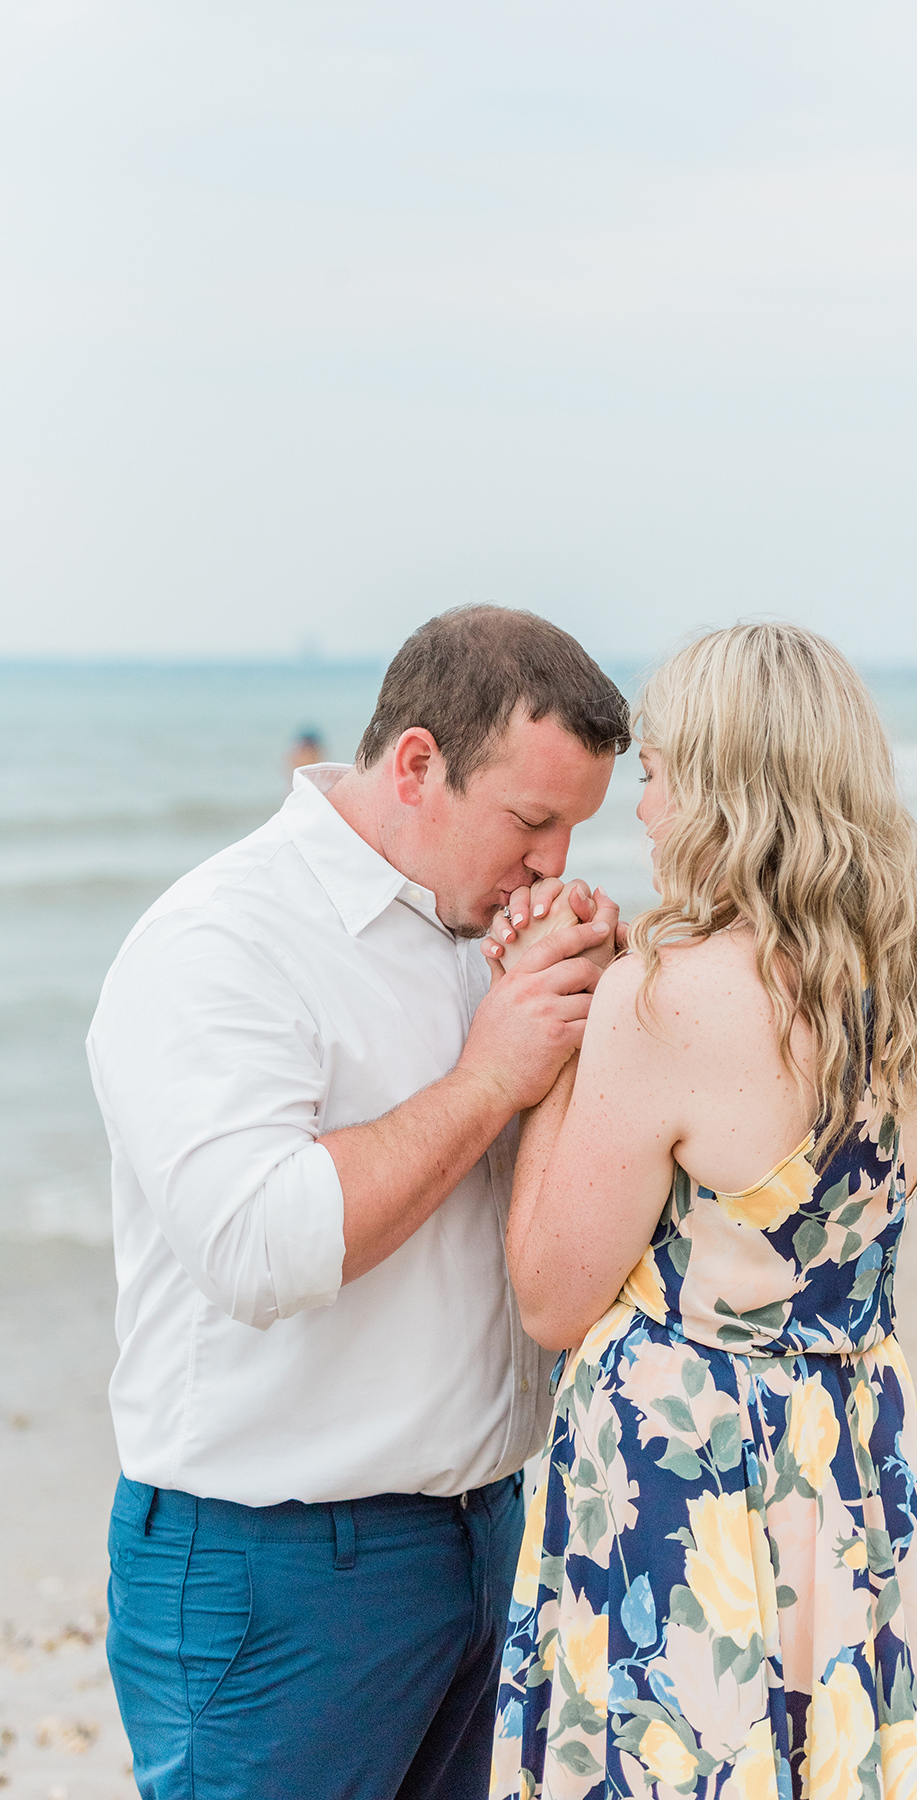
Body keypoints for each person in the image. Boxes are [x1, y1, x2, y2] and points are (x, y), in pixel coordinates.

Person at [86, 606, 629, 1800]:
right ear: (419, 765)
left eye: (572, 831)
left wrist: (597, 1013)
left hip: (485, 1537)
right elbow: (259, 1246)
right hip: (271, 1571)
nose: (551, 863)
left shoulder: (478, 924)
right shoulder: (220, 942)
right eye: (531, 822)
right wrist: (490, 1074)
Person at [485, 624, 917, 1799]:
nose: (643, 813)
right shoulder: (897, 991)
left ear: (725, 790)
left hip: (690, 1476)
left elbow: (550, 1297)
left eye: (655, 777)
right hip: (850, 1463)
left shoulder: (664, 1000)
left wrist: (549, 1053)